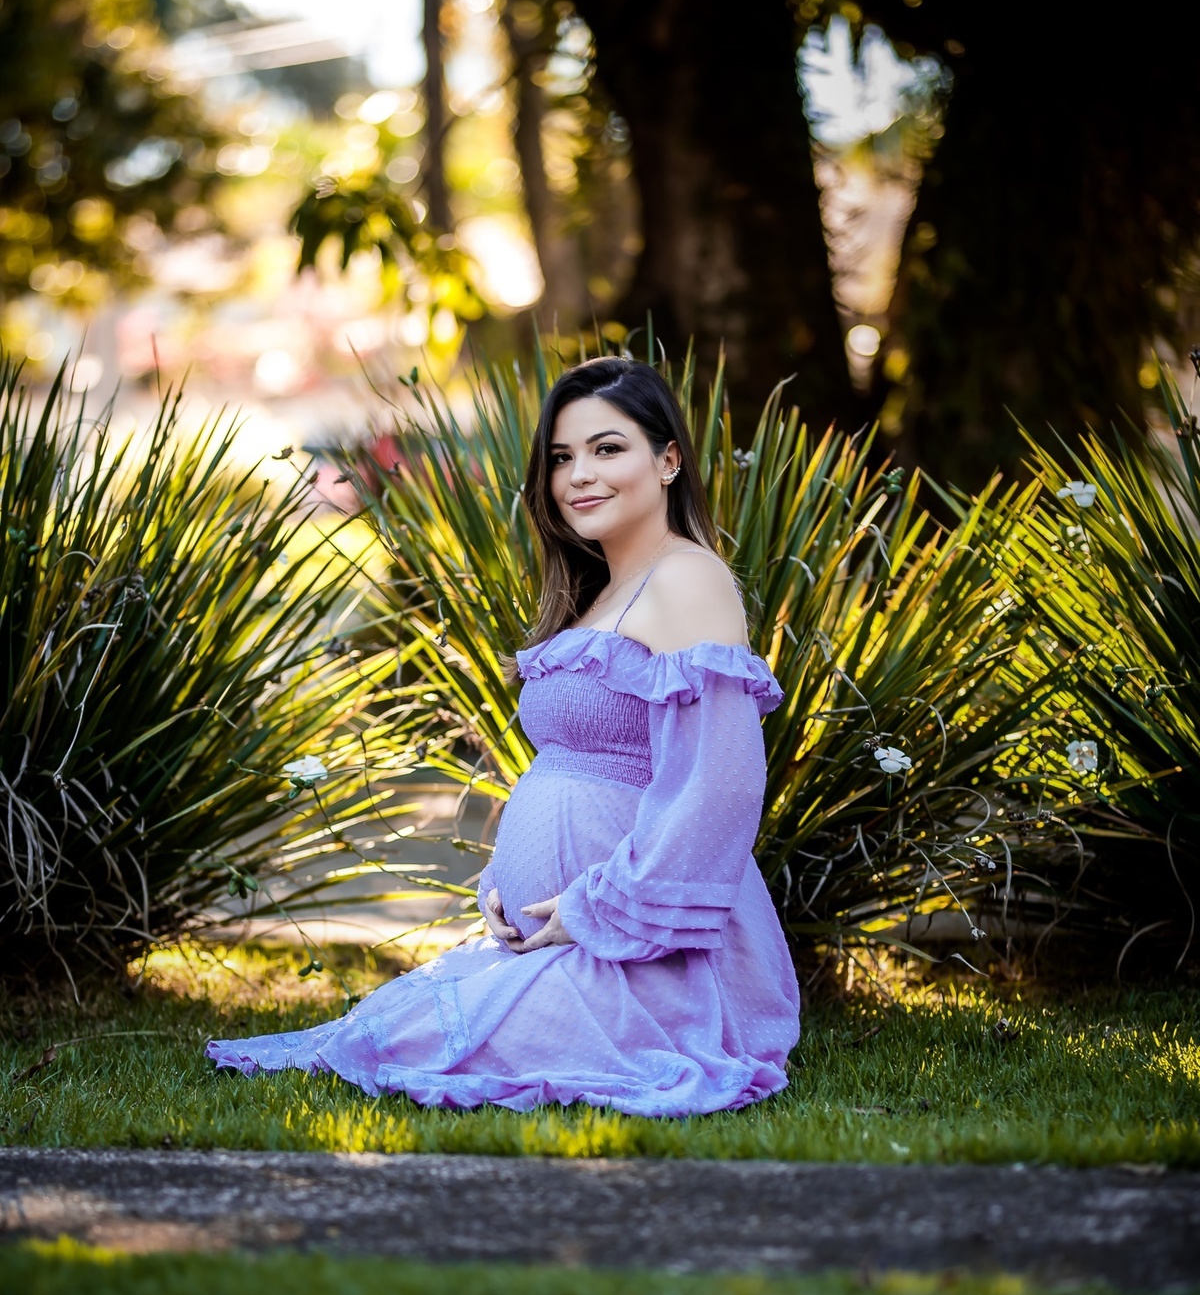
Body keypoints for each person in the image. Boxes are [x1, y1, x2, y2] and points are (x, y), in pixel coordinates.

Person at [207, 358, 800, 1114]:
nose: (578, 474)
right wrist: (505, 885)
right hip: (570, 932)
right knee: (409, 1022)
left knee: (431, 1035)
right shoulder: (601, 591)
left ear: (669, 459)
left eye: (607, 448)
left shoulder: (689, 579)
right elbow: (570, 770)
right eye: (561, 457)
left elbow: (718, 786)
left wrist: (595, 909)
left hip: (652, 951)